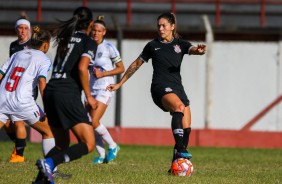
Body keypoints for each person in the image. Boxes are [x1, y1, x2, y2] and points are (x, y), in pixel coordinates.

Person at [107, 12, 206, 172]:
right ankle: (181, 151)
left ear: (172, 27)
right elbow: (136, 64)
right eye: (158, 25)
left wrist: (199, 50)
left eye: (163, 25)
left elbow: (193, 49)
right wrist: (120, 83)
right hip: (160, 88)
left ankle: (175, 166)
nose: (160, 28)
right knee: (179, 108)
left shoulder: (180, 44)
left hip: (178, 88)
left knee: (186, 128)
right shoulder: (152, 46)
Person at [33, 7, 97, 184]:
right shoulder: (88, 41)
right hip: (66, 92)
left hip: (51, 91)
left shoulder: (65, 37)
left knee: (61, 144)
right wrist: (89, 96)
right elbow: (82, 67)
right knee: (88, 143)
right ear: (91, 24)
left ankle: (40, 180)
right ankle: (50, 162)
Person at [0, 26, 55, 166]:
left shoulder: (17, 54)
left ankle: (18, 157)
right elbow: (42, 81)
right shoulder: (44, 59)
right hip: (22, 101)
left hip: (3, 98)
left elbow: (1, 74)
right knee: (49, 131)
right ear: (45, 44)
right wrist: (48, 106)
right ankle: (50, 168)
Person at [89, 16, 124, 164]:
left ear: (104, 32)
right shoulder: (88, 47)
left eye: (99, 31)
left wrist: (103, 74)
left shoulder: (109, 48)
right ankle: (101, 155)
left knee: (94, 120)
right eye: (94, 30)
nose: (96, 33)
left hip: (105, 88)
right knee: (90, 122)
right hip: (91, 89)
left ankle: (113, 146)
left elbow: (121, 68)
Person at [4, 17, 31, 163]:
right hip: (12, 88)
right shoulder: (14, 45)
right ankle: (19, 145)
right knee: (8, 124)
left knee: (18, 121)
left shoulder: (33, 45)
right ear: (16, 30)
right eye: (20, 28)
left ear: (29, 30)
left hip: (25, 89)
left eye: (25, 28)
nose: (22, 31)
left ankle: (18, 155)